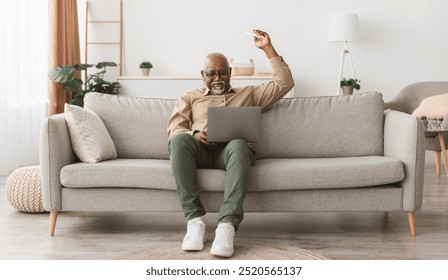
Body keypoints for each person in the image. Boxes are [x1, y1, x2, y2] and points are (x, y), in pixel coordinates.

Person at [167, 29, 294, 257]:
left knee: (237, 143)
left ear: (230, 72)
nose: (217, 79)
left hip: (232, 154)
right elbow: (175, 129)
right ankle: (194, 222)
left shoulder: (250, 94)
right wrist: (194, 133)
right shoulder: (190, 97)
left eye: (222, 73)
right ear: (202, 74)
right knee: (179, 140)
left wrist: (267, 48)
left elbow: (284, 83)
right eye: (211, 74)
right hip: (200, 152)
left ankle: (226, 226)